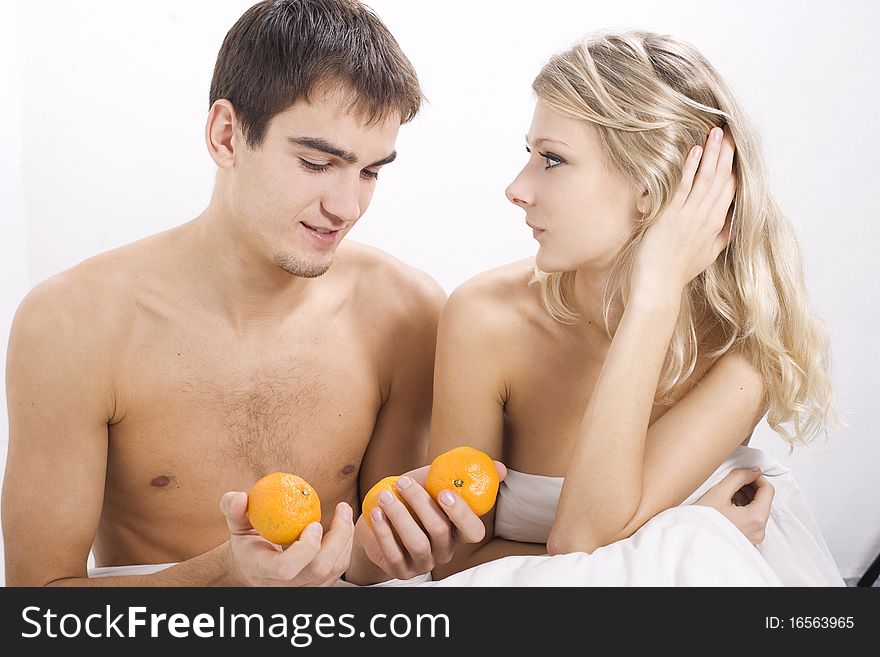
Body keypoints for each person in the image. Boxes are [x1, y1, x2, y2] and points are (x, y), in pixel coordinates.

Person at [359, 31, 843, 586]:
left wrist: (653, 296)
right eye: (529, 154)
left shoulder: (742, 350)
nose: (516, 189)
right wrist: (682, 533)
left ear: (650, 185)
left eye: (553, 160)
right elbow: (457, 564)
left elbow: (580, 538)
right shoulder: (485, 318)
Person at [2, 0, 459, 587]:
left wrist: (407, 547)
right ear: (225, 136)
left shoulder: (407, 312)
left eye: (371, 172)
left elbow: (368, 558)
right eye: (317, 163)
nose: (347, 208)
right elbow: (39, 611)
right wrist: (230, 576)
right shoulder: (71, 325)